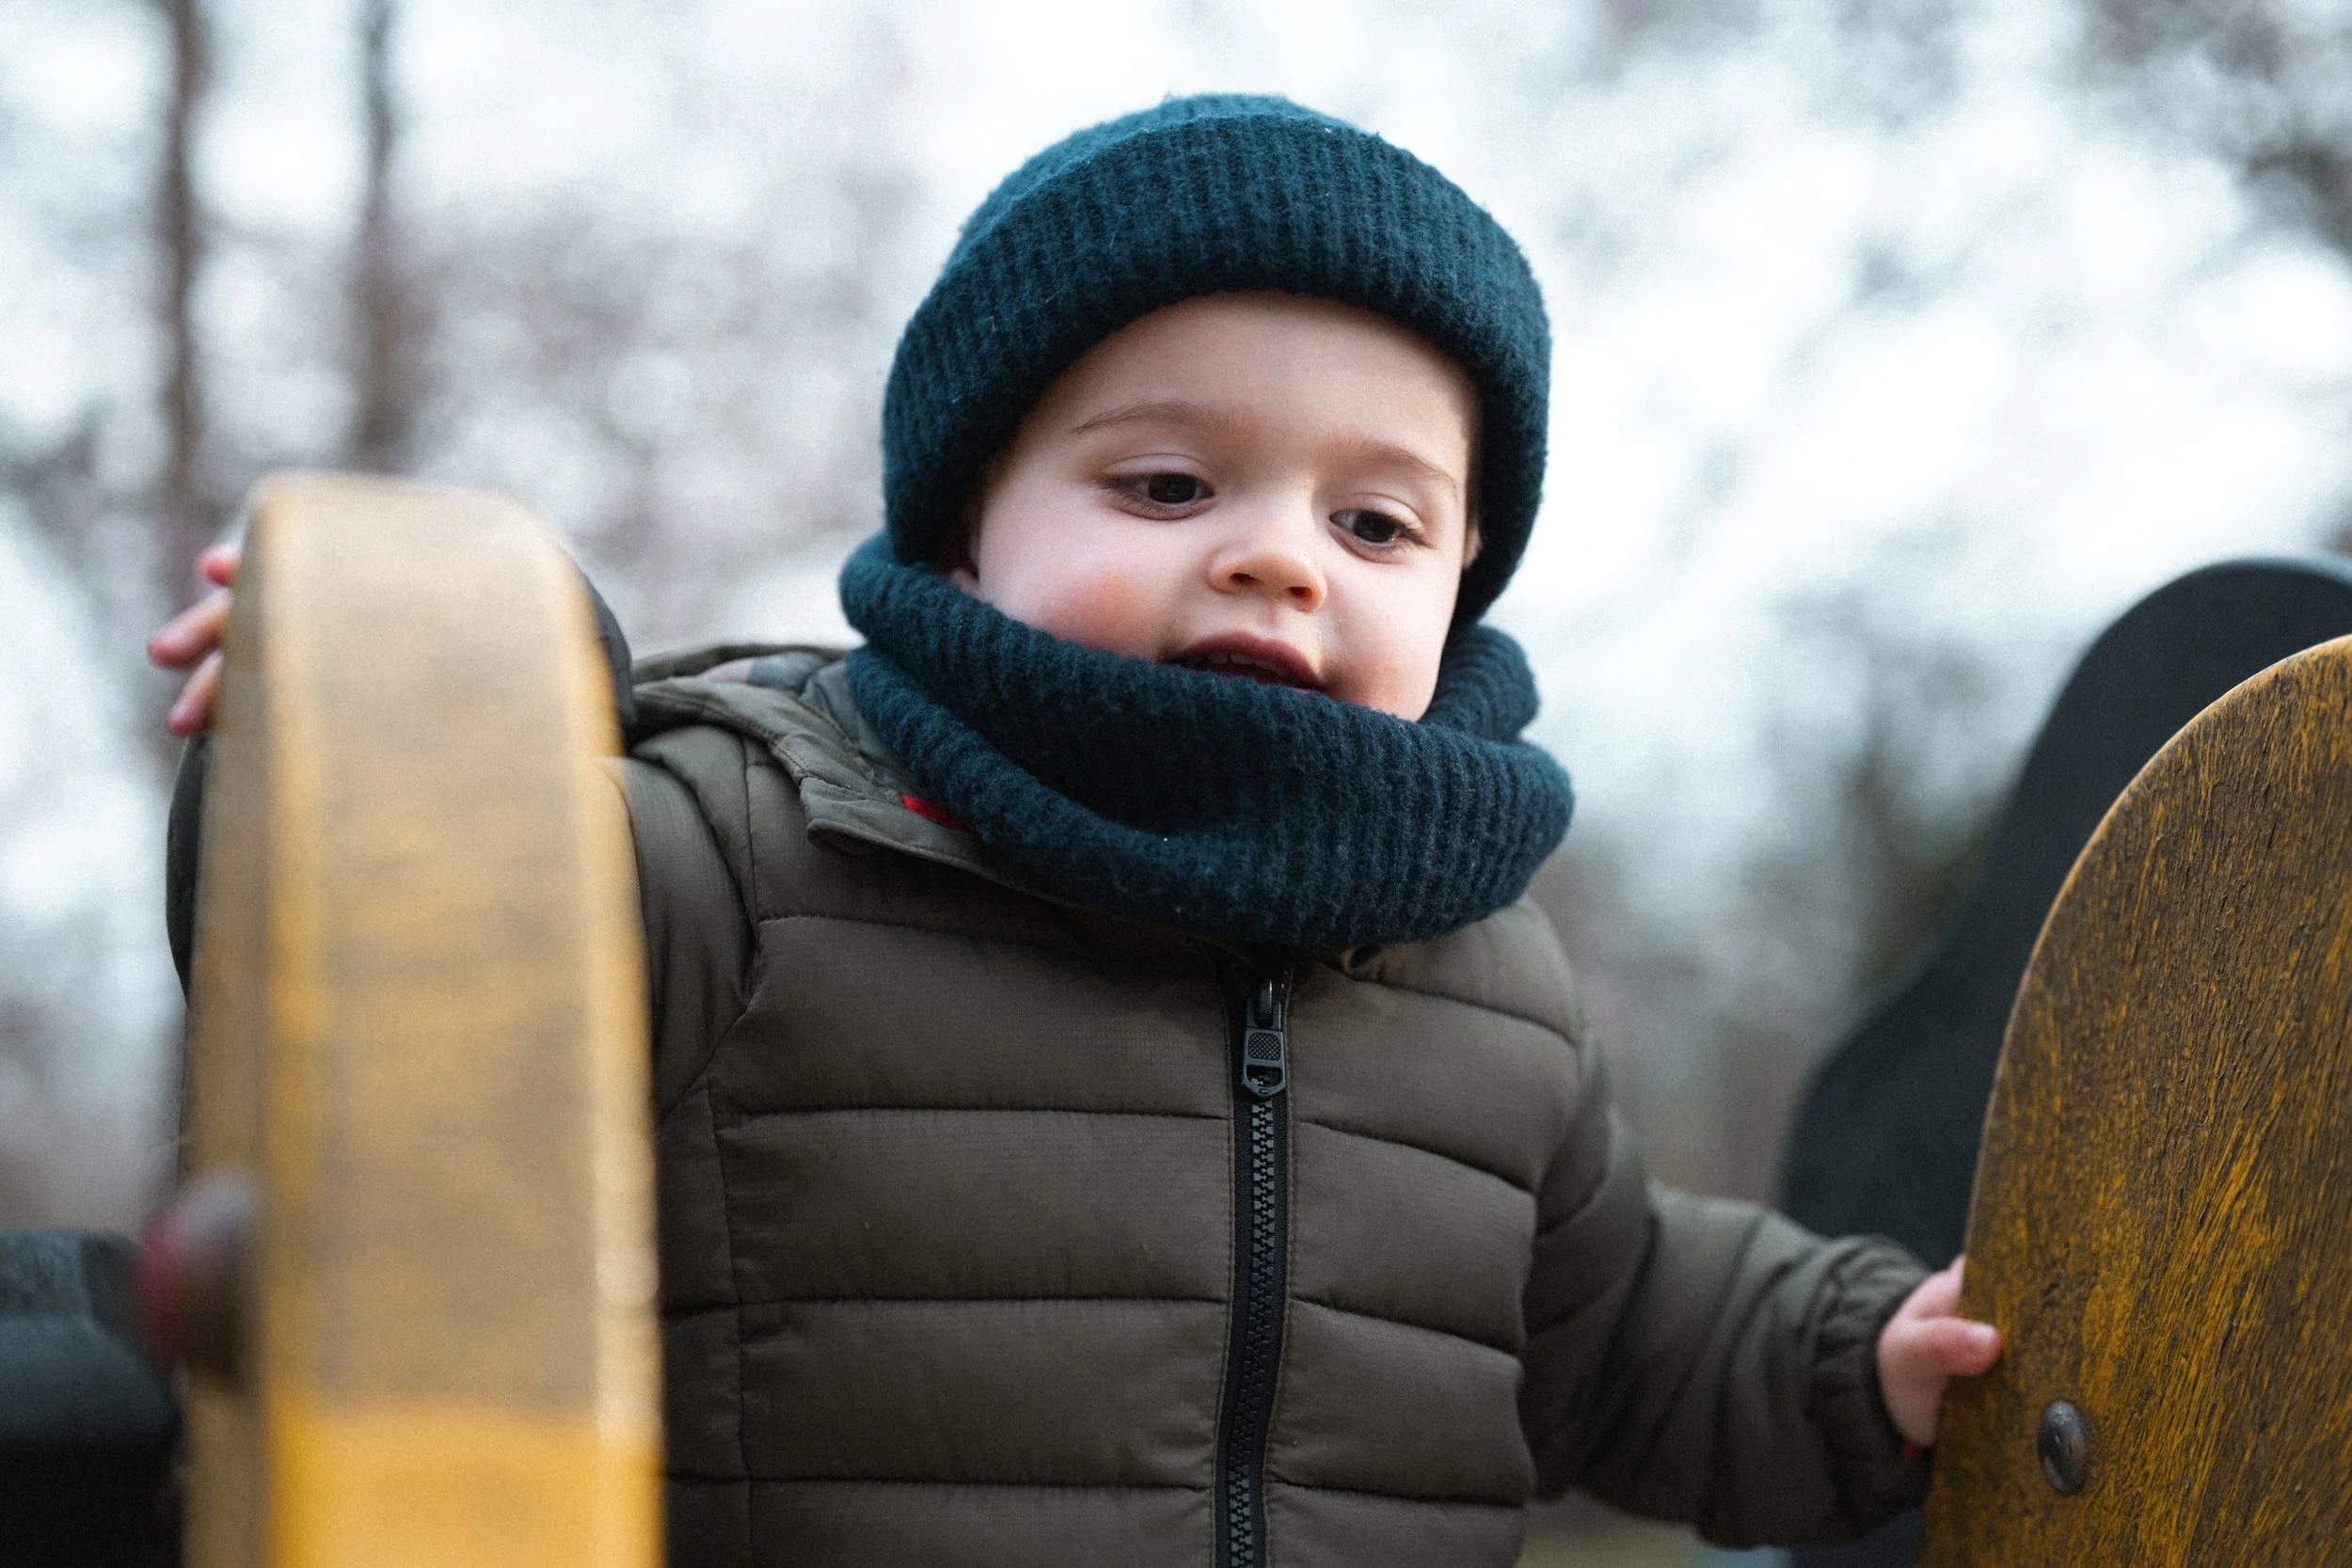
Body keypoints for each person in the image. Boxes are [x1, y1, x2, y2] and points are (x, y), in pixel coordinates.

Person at [152, 95, 2000, 1568]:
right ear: (967, 525)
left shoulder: (1480, 966)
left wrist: (1855, 1359)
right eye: (1167, 481)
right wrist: (393, 723)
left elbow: (1625, 1325)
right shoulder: (742, 846)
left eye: (1376, 525)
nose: (1276, 549)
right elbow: (377, 1022)